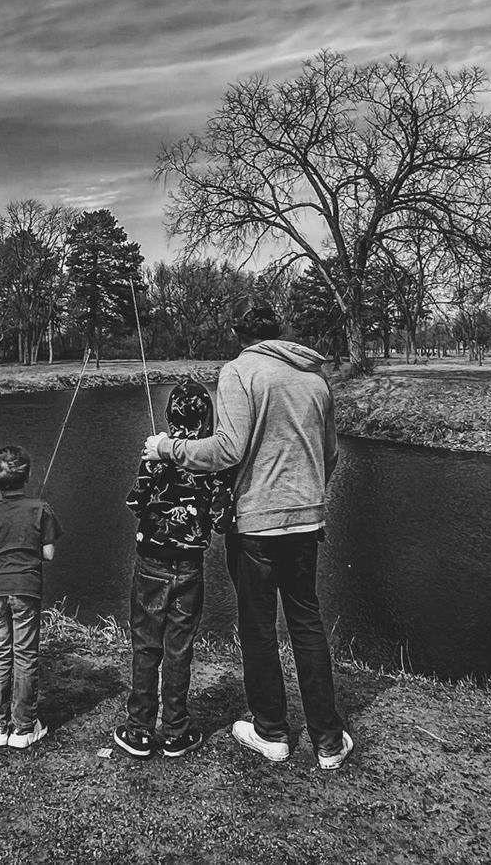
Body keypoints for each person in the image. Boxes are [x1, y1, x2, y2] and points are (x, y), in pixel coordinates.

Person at [144, 300, 353, 770]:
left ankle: (272, 733)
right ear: (278, 330)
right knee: (306, 621)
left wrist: (166, 448)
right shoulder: (314, 377)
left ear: (239, 333)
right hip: (306, 520)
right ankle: (328, 741)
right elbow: (332, 454)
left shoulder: (239, 372)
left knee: (258, 628)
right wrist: (307, 494)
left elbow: (227, 449)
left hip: (256, 524)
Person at [115, 379, 235, 759]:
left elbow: (135, 502)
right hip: (189, 567)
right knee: (179, 647)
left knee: (146, 644)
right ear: (208, 417)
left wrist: (153, 465)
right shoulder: (213, 458)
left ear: (170, 415)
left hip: (151, 562)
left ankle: (139, 730)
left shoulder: (157, 451)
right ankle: (176, 731)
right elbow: (221, 519)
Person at [0, 444, 63, 748]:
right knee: (25, 655)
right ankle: (23, 729)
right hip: (26, 589)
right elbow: (48, 554)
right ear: (27, 476)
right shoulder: (40, 508)